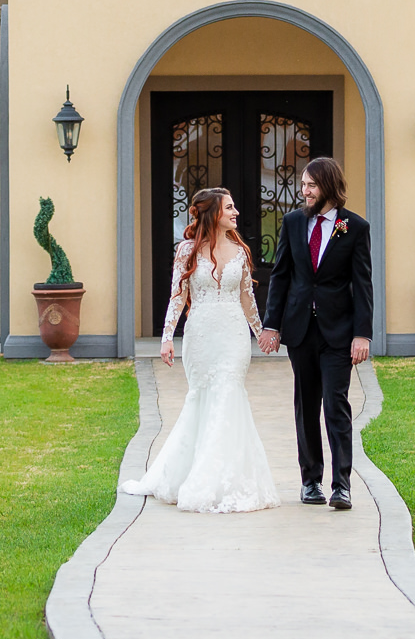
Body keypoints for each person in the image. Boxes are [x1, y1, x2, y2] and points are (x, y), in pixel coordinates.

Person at [119, 187, 280, 513]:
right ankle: (190, 475)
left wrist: (262, 334)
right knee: (203, 397)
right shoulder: (187, 251)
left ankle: (224, 480)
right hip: (201, 336)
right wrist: (166, 337)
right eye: (230, 208)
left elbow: (247, 299)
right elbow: (177, 297)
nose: (236, 213)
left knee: (228, 395)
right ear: (213, 213)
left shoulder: (240, 251)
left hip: (234, 336)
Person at [258, 156, 371, 510]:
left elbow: (362, 284)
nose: (304, 191)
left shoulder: (355, 227)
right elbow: (280, 276)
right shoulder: (292, 223)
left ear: (328, 187)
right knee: (306, 405)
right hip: (300, 330)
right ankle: (310, 482)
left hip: (339, 332)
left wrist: (362, 334)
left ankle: (342, 486)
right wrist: (272, 324)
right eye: (303, 185)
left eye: (311, 185)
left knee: (336, 404)